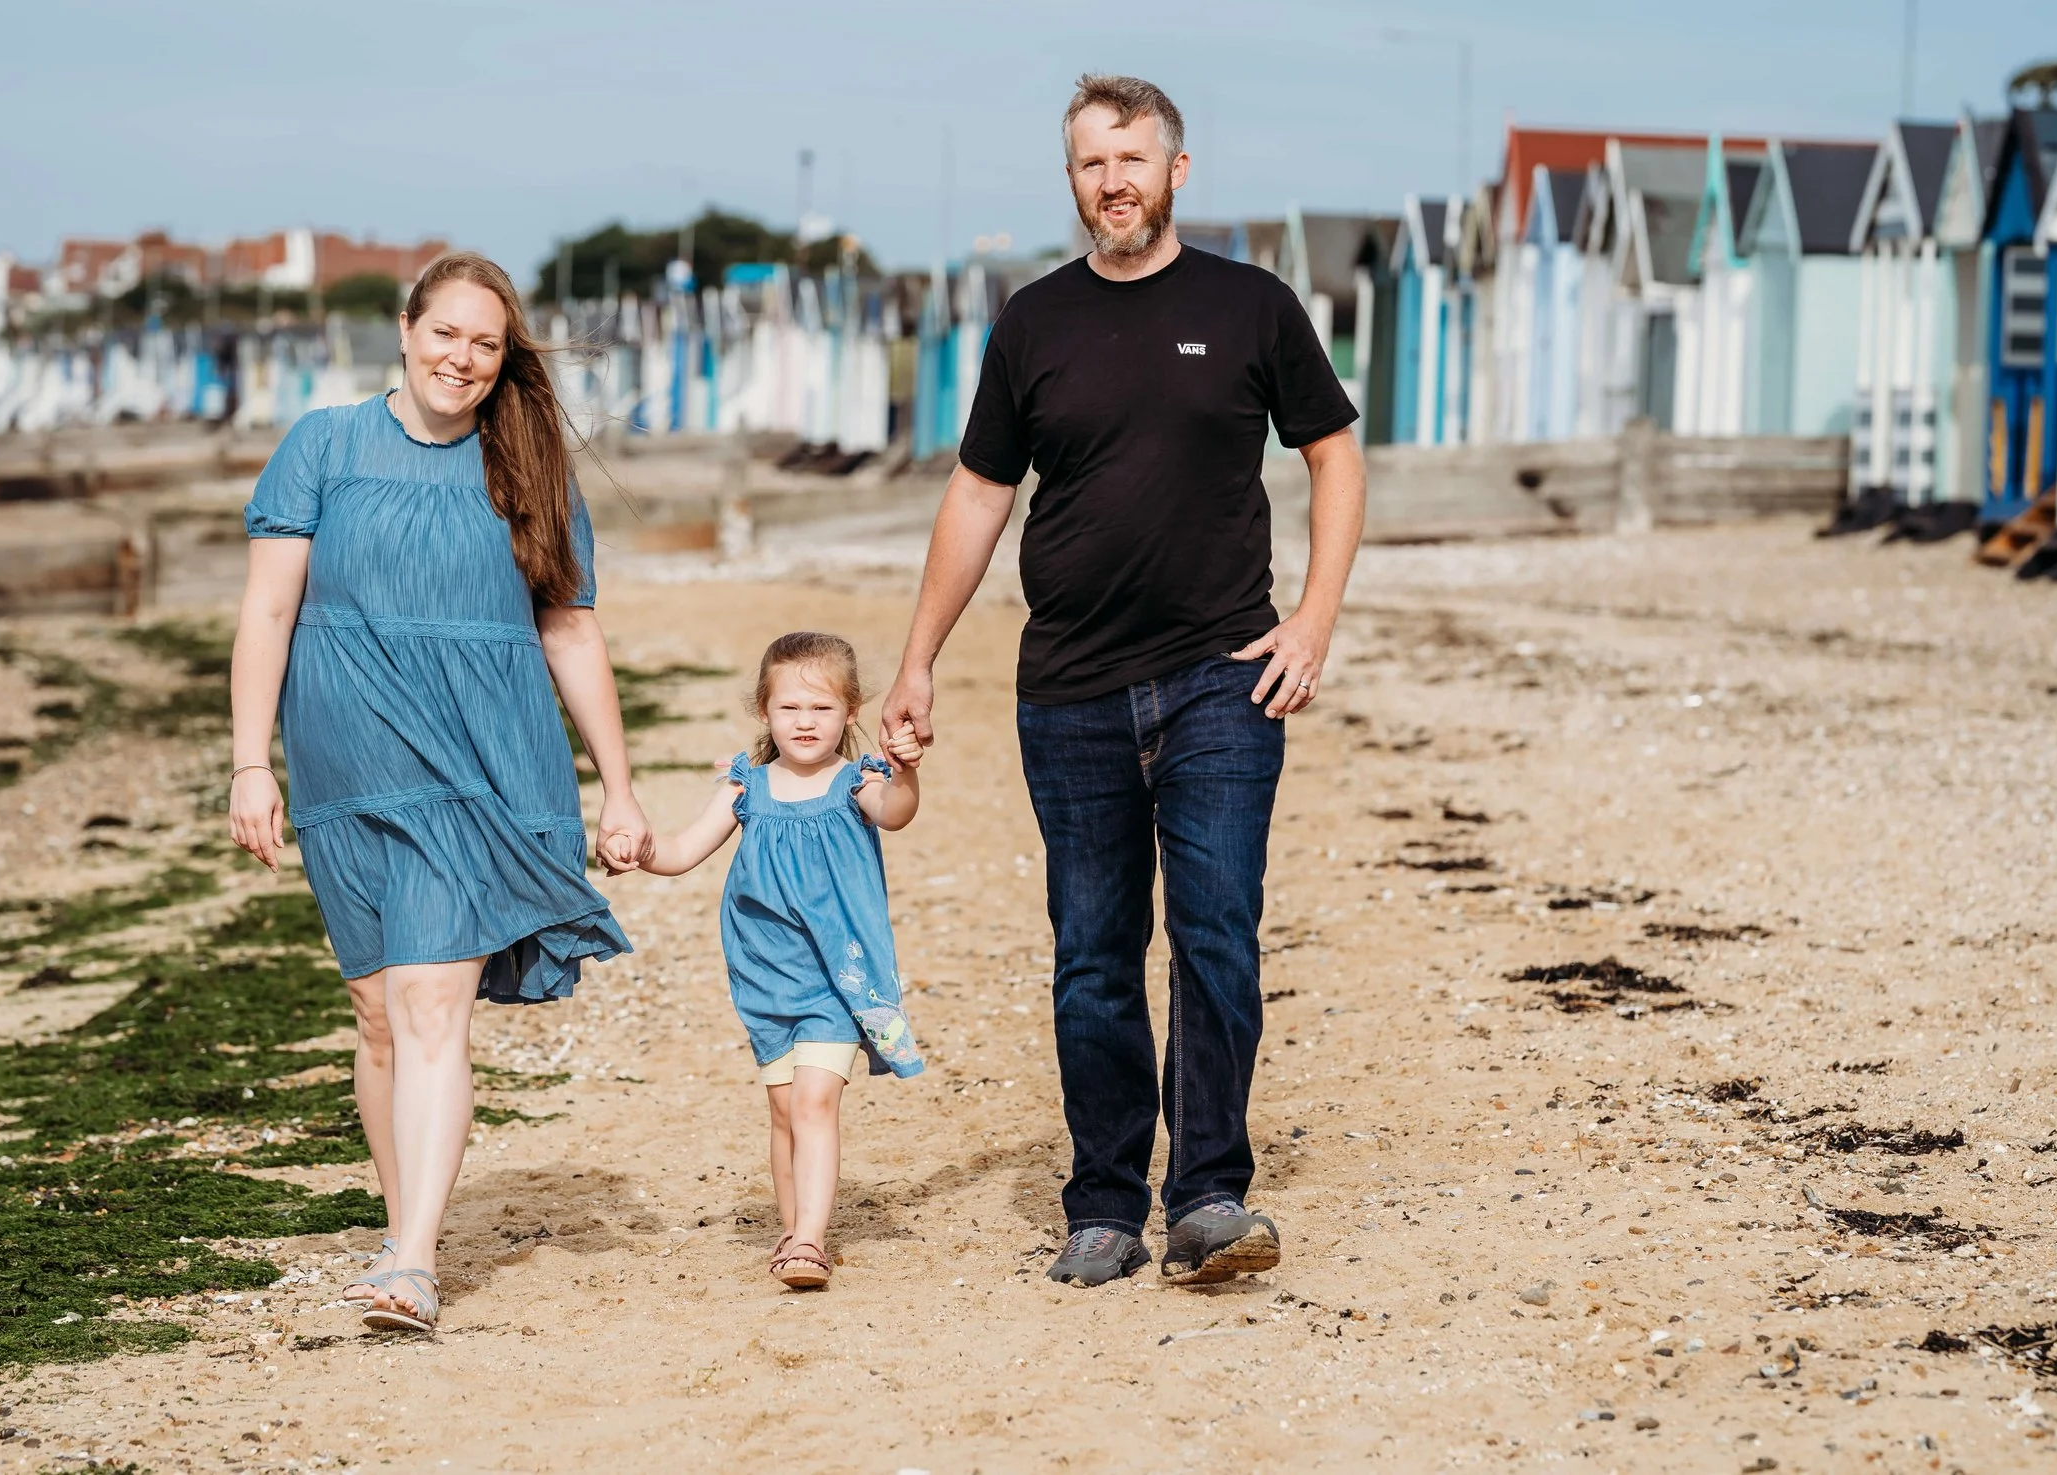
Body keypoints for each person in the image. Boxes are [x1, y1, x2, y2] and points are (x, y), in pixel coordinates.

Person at [880, 74, 1367, 1288]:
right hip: (1069, 690)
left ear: (1176, 170)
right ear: (1072, 182)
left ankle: (1207, 1192)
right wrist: (916, 660)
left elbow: (1334, 454)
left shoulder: (1251, 306)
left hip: (1222, 678)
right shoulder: (1032, 322)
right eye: (1092, 163)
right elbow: (980, 492)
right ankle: (1103, 1200)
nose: (1114, 182)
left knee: (1215, 935)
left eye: (1133, 159)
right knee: (1092, 951)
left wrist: (1312, 618)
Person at [226, 250, 650, 1334]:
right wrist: (247, 762)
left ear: (503, 358)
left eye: (485, 342)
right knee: (377, 1015)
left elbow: (570, 627)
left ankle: (413, 1259)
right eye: (446, 332)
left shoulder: (527, 470)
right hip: (343, 764)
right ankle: (400, 1220)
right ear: (405, 328)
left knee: (427, 1006)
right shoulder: (322, 445)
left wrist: (620, 785)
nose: (461, 357)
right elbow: (268, 613)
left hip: (482, 766)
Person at [638, 632, 926, 1290]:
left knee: (815, 1101)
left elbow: (897, 812)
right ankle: (793, 1224)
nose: (805, 721)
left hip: (837, 977)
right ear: (764, 711)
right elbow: (682, 851)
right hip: (764, 978)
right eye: (790, 707)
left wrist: (906, 770)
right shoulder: (747, 785)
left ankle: (808, 1237)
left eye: (822, 709)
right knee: (782, 1108)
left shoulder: (859, 782)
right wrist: (638, 848)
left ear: (851, 713)